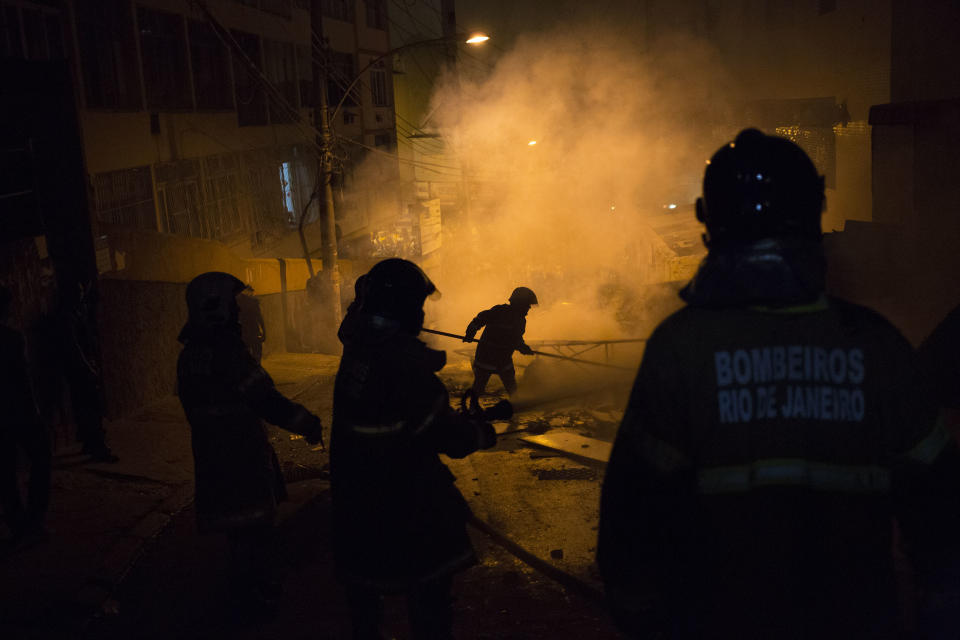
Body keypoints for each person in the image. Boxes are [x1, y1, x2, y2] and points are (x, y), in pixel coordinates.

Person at [597, 129, 960, 639]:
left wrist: (645, 618)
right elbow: (942, 517)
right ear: (814, 212)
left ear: (710, 221)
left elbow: (632, 518)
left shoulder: (680, 347)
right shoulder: (876, 346)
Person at [331, 258, 505, 639]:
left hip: (358, 495)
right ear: (404, 306)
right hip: (405, 500)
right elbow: (445, 436)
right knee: (429, 591)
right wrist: (482, 433)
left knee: (365, 597)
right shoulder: (402, 365)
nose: (422, 312)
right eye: (418, 304)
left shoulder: (360, 351)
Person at [176, 272, 324, 618]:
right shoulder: (227, 353)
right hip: (240, 454)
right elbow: (264, 398)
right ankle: (250, 599)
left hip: (213, 453)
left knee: (237, 533)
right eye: (233, 305)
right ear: (217, 308)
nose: (239, 312)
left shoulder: (191, 353)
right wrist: (306, 423)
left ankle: (243, 591)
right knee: (254, 530)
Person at [0, 286, 51, 546]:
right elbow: (23, 380)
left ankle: (17, 522)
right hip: (18, 412)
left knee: (6, 470)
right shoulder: (12, 338)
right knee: (42, 457)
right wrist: (35, 411)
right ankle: (34, 519)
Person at [62, 281, 118, 462]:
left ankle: (90, 443)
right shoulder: (68, 316)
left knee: (86, 407)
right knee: (92, 408)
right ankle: (98, 447)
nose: (80, 294)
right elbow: (73, 347)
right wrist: (88, 367)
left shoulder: (78, 313)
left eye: (81, 291)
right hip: (80, 370)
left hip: (84, 367)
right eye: (77, 291)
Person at [463, 287, 538, 397]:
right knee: (479, 386)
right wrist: (471, 332)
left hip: (503, 359)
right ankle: (471, 409)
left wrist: (523, 347)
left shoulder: (521, 321)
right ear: (519, 304)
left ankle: (515, 405)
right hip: (486, 356)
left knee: (512, 389)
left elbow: (517, 338)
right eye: (527, 305)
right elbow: (479, 319)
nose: (528, 308)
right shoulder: (499, 311)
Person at [237, 285, 266, 364]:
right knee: (257, 352)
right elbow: (259, 318)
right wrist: (264, 332)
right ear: (248, 291)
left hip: (242, 333)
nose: (253, 294)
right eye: (252, 292)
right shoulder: (253, 301)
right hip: (253, 332)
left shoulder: (236, 301)